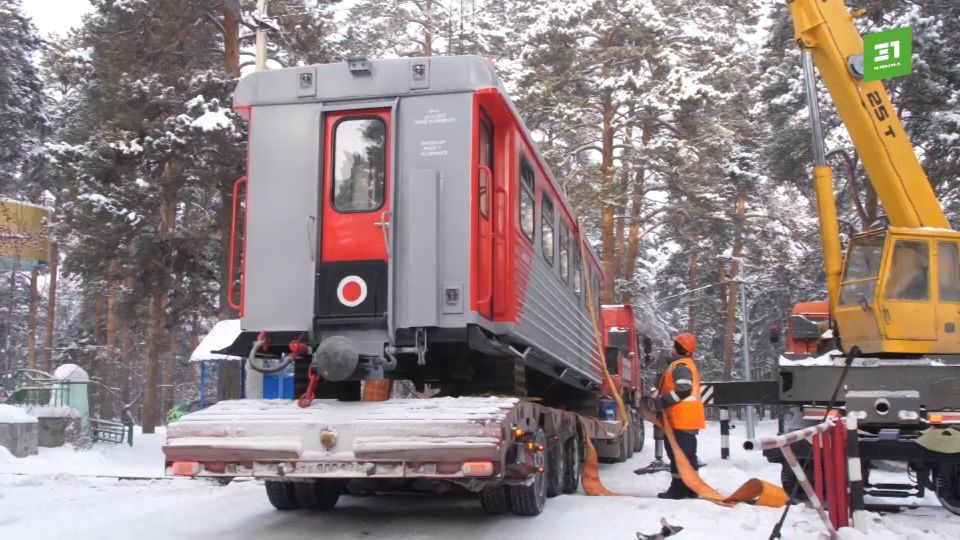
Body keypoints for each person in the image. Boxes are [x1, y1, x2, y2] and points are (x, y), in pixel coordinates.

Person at [655, 332, 706, 499]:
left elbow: (683, 389)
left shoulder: (681, 366)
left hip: (680, 419)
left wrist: (664, 401)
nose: (671, 348)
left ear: (679, 348)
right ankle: (692, 487)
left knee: (678, 455)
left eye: (674, 345)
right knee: (688, 455)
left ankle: (678, 489)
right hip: (687, 419)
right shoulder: (685, 364)